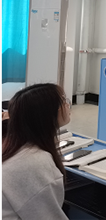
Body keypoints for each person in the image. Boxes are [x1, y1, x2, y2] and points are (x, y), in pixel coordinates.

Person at [2, 83, 71, 220]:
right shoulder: (35, 163)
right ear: (46, 114)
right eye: (63, 101)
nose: (68, 105)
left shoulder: (16, 147)